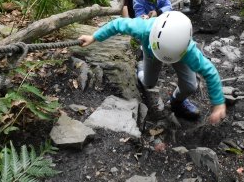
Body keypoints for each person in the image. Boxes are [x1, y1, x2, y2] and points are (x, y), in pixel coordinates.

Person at [78, 11, 227, 123]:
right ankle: (141, 67)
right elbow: (117, 24)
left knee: (190, 86)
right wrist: (94, 37)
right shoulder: (143, 28)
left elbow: (210, 72)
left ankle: (176, 102)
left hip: (177, 55)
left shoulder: (188, 51)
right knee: (149, 82)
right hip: (151, 51)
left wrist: (219, 103)